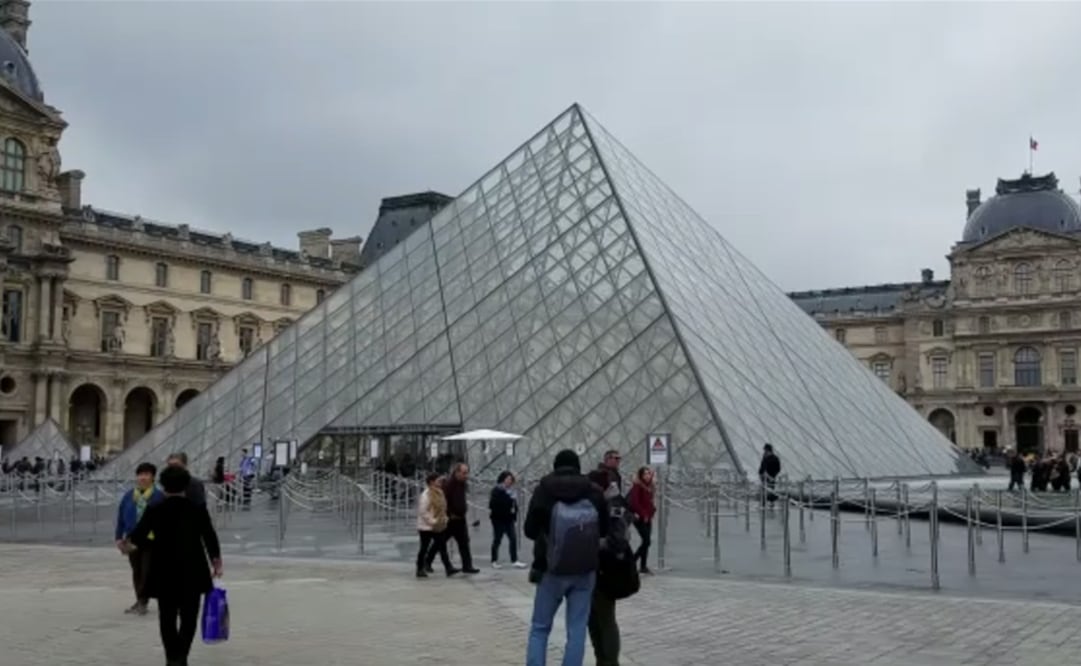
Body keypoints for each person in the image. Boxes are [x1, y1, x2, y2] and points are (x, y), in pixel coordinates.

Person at [127, 465, 222, 666]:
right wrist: (216, 560)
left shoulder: (155, 509)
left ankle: (172, 657)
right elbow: (209, 536)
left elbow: (137, 537)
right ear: (185, 485)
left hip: (164, 569)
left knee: (167, 617)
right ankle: (182, 656)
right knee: (189, 617)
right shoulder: (197, 509)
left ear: (163, 485)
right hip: (193, 569)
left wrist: (149, 543)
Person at [524, 449, 608, 666]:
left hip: (550, 567)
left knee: (540, 628)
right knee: (577, 629)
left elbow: (529, 530)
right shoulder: (593, 491)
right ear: (578, 466)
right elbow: (605, 530)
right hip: (584, 569)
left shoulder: (544, 490)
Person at [115, 462, 164, 615]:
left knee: (147, 570)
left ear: (153, 477)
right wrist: (118, 536)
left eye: (146, 474)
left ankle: (143, 601)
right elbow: (121, 518)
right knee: (136, 570)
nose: (142, 477)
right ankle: (140, 600)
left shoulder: (159, 496)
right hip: (131, 538)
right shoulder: (129, 496)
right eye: (140, 474)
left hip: (151, 540)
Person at [416, 472, 456, 578]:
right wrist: (433, 521)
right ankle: (420, 569)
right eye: (438, 481)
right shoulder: (426, 495)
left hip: (439, 525)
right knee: (424, 548)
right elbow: (423, 511)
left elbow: (443, 508)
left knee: (442, 547)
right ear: (431, 482)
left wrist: (444, 518)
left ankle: (449, 568)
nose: (440, 483)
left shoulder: (440, 493)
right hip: (426, 527)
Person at [442, 462, 479, 574]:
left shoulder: (462, 484)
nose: (466, 475)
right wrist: (448, 513)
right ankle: (427, 561)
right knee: (440, 542)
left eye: (467, 473)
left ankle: (467, 566)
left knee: (464, 543)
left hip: (460, 519)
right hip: (451, 519)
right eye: (464, 473)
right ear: (457, 472)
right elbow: (444, 501)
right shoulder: (449, 484)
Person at [489, 471, 526, 569]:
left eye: (511, 479)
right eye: (508, 479)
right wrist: (508, 500)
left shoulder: (511, 491)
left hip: (509, 519)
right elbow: (493, 505)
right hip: (499, 519)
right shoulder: (497, 490)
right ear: (503, 479)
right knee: (497, 539)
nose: (509, 481)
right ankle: (494, 560)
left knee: (513, 539)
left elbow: (514, 505)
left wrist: (514, 514)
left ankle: (514, 560)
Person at [627, 466, 657, 574]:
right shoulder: (637, 487)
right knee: (646, 541)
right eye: (645, 474)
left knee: (646, 541)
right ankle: (632, 562)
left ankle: (643, 566)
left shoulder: (649, 487)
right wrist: (643, 514)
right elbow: (635, 503)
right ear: (640, 475)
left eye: (648, 473)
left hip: (647, 517)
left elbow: (649, 502)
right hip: (639, 517)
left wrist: (652, 511)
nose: (647, 476)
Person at [758, 443, 781, 508]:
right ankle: (764, 503)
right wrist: (760, 473)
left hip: (770, 477)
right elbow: (762, 467)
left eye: (765, 450)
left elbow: (778, 468)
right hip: (765, 477)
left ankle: (771, 503)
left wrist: (772, 476)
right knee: (765, 490)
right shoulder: (765, 457)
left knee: (770, 490)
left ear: (768, 450)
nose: (764, 451)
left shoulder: (774, 458)